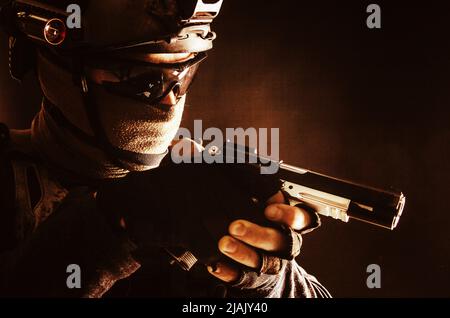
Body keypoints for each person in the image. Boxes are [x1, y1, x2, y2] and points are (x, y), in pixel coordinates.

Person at [0, 0, 331, 298]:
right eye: (142, 81)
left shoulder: (194, 187)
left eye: (182, 76)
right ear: (60, 65)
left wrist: (265, 276)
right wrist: (116, 223)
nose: (170, 100)